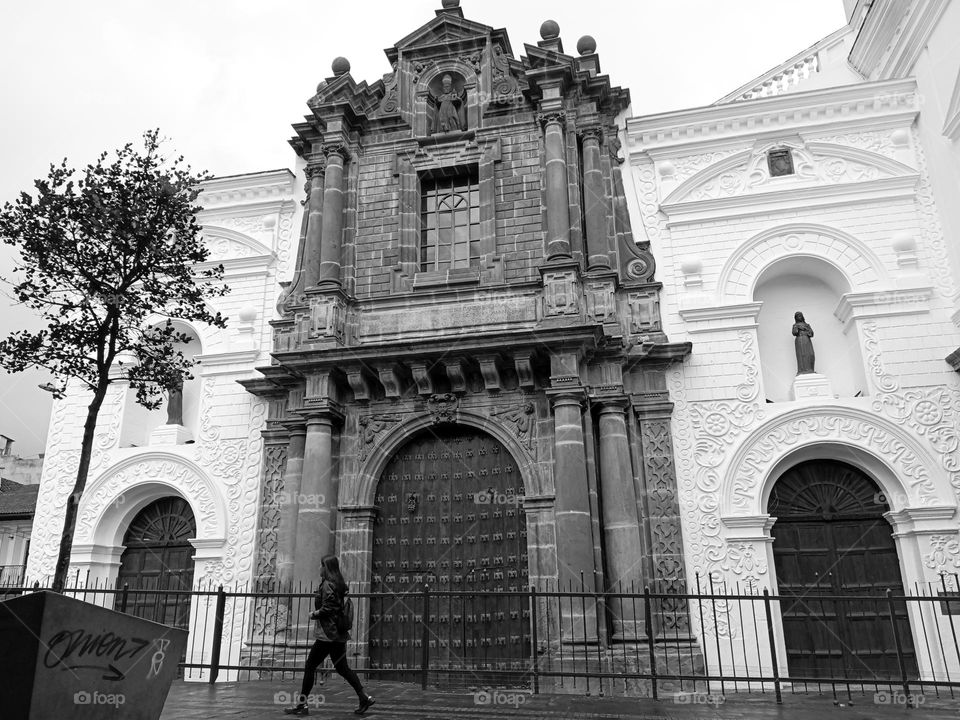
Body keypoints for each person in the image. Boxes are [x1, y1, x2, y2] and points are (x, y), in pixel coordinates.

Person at [284, 556, 375, 716]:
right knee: (342, 668)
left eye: (321, 566)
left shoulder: (327, 585)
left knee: (310, 666)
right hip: (338, 635)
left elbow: (330, 607)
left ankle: (302, 705)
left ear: (326, 568)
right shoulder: (339, 584)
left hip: (327, 634)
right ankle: (363, 697)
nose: (319, 569)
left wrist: (315, 614)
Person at [792, 311, 816, 375]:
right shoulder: (795, 325)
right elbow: (794, 333)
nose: (799, 317)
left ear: (802, 317)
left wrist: (805, 329)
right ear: (795, 318)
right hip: (799, 340)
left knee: (810, 354)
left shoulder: (807, 325)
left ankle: (810, 369)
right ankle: (802, 370)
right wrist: (797, 328)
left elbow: (811, 334)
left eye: (800, 316)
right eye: (797, 316)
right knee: (802, 355)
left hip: (806, 340)